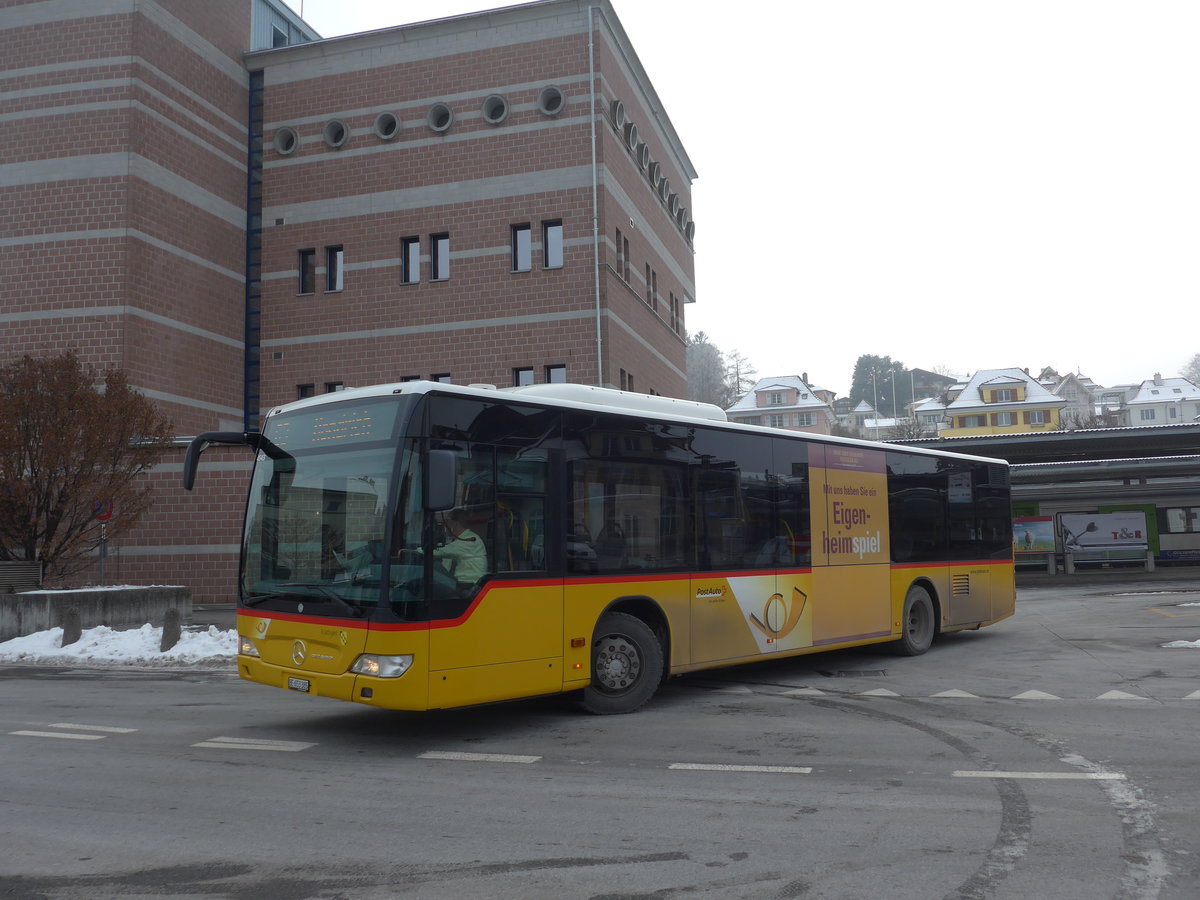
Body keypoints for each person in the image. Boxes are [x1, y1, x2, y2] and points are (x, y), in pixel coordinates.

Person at [432, 508, 487, 588]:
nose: (445, 524)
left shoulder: (470, 540)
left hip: (471, 586)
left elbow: (442, 551)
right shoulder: (460, 539)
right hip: (463, 583)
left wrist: (418, 550)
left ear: (455, 523)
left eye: (447, 521)